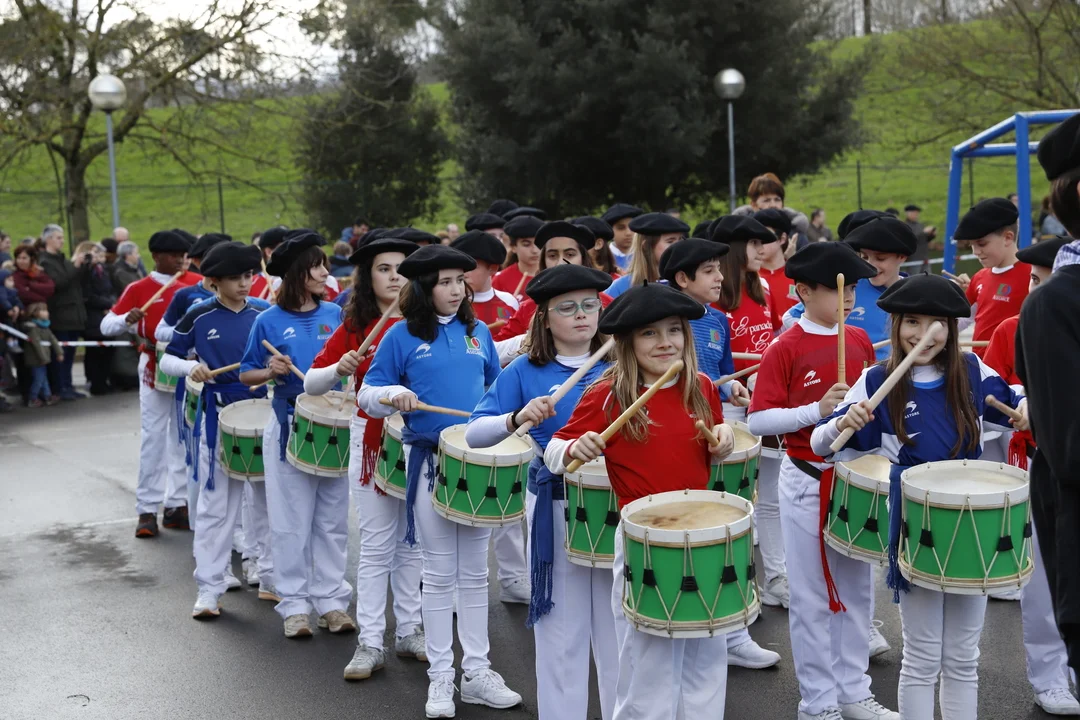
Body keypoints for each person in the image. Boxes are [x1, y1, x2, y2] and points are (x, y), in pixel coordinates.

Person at [812, 273, 1028, 720]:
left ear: (951, 328)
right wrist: (842, 422)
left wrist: (1026, 409)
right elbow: (820, 445)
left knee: (964, 657)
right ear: (896, 325)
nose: (924, 333)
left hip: (972, 521)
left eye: (936, 323)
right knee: (923, 656)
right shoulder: (877, 380)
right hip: (916, 523)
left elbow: (1015, 404)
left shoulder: (972, 371)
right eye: (912, 321)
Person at [544, 282, 737, 720]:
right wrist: (575, 447)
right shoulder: (609, 394)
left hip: (702, 534)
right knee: (647, 670)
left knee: (706, 664)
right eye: (650, 333)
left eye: (674, 330)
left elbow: (714, 434)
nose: (665, 342)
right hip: (643, 541)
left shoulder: (700, 386)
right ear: (628, 342)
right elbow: (555, 452)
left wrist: (723, 436)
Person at [357, 243, 522, 718]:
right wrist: (393, 393)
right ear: (424, 288)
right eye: (444, 282)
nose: (455, 290)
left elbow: (495, 389)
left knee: (475, 574)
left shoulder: (478, 332)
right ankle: (440, 678)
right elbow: (367, 394)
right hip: (428, 461)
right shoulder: (400, 335)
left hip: (476, 463)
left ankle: (477, 673)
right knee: (437, 572)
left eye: (459, 281)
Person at [747, 243, 896, 720]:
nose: (848, 298)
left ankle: (853, 692)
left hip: (854, 479)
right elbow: (758, 420)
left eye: (852, 289)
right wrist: (816, 410)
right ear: (803, 292)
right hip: (806, 478)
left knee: (857, 592)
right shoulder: (784, 346)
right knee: (812, 596)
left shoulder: (859, 340)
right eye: (837, 289)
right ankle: (817, 701)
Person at [465, 264, 618, 720]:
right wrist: (516, 418)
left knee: (617, 629)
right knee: (561, 630)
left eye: (590, 305)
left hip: (617, 502)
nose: (582, 315)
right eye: (567, 308)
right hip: (555, 502)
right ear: (545, 318)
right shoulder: (525, 370)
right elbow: (474, 433)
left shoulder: (621, 363)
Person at [305, 235, 426, 680]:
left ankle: (409, 630)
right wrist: (337, 369)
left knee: (412, 542)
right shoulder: (356, 326)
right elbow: (311, 384)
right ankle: (371, 642)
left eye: (402, 269)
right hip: (371, 439)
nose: (395, 277)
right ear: (366, 277)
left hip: (418, 439)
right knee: (377, 545)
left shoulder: (425, 323)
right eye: (384, 269)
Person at [657, 238, 783, 669]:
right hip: (669, 435)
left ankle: (732, 633)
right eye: (709, 271)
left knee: (727, 528)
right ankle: (683, 623)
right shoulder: (657, 319)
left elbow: (722, 372)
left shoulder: (717, 319)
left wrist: (734, 389)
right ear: (682, 278)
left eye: (719, 268)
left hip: (710, 427)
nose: (720, 278)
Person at [981, 236, 1080, 715]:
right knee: (1041, 577)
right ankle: (1048, 675)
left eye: (1042, 281)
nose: (1035, 290)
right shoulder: (1013, 328)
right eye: (1034, 281)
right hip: (1036, 463)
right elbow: (994, 386)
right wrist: (1021, 404)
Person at [239, 230, 352, 639]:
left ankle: (332, 602)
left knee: (332, 522)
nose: (324, 274)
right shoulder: (267, 320)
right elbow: (246, 373)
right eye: (316, 267)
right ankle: (294, 605)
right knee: (290, 522)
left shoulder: (335, 315)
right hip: (289, 425)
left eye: (324, 266)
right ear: (296, 273)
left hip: (334, 426)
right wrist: (269, 371)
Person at [160, 242, 273, 618]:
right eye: (235, 278)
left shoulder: (264, 312)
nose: (244, 283)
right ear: (214, 282)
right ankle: (210, 586)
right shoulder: (199, 313)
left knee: (267, 504)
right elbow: (169, 358)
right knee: (216, 507)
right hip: (217, 417)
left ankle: (267, 573)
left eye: (249, 276)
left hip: (261, 414)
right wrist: (190, 368)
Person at [99, 230, 201, 537]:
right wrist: (125, 320)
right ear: (156, 257)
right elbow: (106, 326)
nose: (181, 260)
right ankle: (146, 508)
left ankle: (176, 504)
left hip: (186, 365)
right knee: (153, 437)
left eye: (183, 255)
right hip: (152, 364)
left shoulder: (196, 284)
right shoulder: (138, 288)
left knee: (182, 436)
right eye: (174, 255)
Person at [951, 198, 1030, 359]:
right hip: (981, 365)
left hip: (1014, 366)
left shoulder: (1032, 276)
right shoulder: (979, 277)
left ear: (1008, 237)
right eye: (972, 245)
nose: (975, 252)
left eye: (982, 244)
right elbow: (965, 318)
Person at [711, 215, 780, 380]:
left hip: (771, 383)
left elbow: (778, 334)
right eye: (754, 243)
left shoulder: (764, 288)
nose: (762, 250)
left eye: (761, 243)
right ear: (734, 248)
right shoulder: (710, 295)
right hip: (733, 390)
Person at [38, 224, 87, 400]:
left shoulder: (63, 260)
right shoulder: (45, 262)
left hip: (73, 315)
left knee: (70, 355)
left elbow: (74, 281)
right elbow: (59, 283)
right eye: (58, 238)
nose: (62, 241)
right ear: (48, 239)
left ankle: (68, 385)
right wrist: (75, 266)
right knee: (60, 355)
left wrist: (83, 266)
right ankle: (60, 387)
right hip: (60, 315)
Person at [604, 212, 688, 298]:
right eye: (670, 241)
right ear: (646, 246)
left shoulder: (687, 284)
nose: (678, 246)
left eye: (680, 240)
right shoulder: (620, 288)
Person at [78, 241, 118, 396]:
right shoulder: (87, 272)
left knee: (107, 351)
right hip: (94, 317)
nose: (100, 257)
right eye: (96, 254)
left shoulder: (104, 270)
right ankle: (96, 382)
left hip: (106, 313)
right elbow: (88, 295)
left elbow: (111, 289)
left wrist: (112, 304)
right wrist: (107, 304)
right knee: (95, 352)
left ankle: (104, 380)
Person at [734, 173, 810, 254]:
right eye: (766, 200)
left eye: (777, 200)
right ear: (754, 205)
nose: (773, 205)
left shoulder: (797, 236)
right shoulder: (740, 237)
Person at [754, 208, 799, 319]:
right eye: (753, 239)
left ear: (782, 239)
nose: (758, 244)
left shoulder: (799, 276)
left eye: (765, 237)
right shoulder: (748, 277)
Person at [493, 216, 543, 302]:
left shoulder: (554, 276)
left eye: (538, 243)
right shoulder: (500, 279)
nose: (535, 250)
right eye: (526, 244)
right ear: (513, 247)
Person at [20, 302, 61, 407]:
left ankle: (48, 396)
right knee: (38, 379)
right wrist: (44, 358)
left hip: (43, 358)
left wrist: (59, 352)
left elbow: (53, 340)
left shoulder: (45, 327)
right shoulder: (33, 328)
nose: (47, 312)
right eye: (43, 310)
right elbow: (37, 344)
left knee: (43, 379)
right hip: (36, 359)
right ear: (35, 313)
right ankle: (32, 398)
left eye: (46, 310)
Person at [600, 203, 643, 272]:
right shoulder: (601, 258)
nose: (628, 233)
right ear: (610, 230)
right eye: (621, 228)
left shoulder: (646, 255)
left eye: (632, 227)